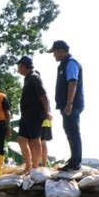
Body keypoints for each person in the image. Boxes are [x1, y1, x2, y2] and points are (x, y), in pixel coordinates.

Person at [48, 40, 84, 171]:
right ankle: (74, 159)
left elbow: (72, 82)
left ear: (61, 50)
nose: (54, 55)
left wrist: (69, 103)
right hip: (66, 105)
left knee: (73, 131)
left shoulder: (71, 62)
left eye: (55, 52)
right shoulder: (64, 64)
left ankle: (75, 162)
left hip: (72, 105)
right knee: (69, 131)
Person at [16, 56, 51, 173]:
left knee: (35, 140)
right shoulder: (27, 78)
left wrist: (48, 111)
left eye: (19, 66)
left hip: (35, 114)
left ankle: (35, 168)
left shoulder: (34, 77)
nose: (18, 69)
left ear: (24, 66)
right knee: (21, 139)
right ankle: (28, 166)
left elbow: (43, 96)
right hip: (26, 115)